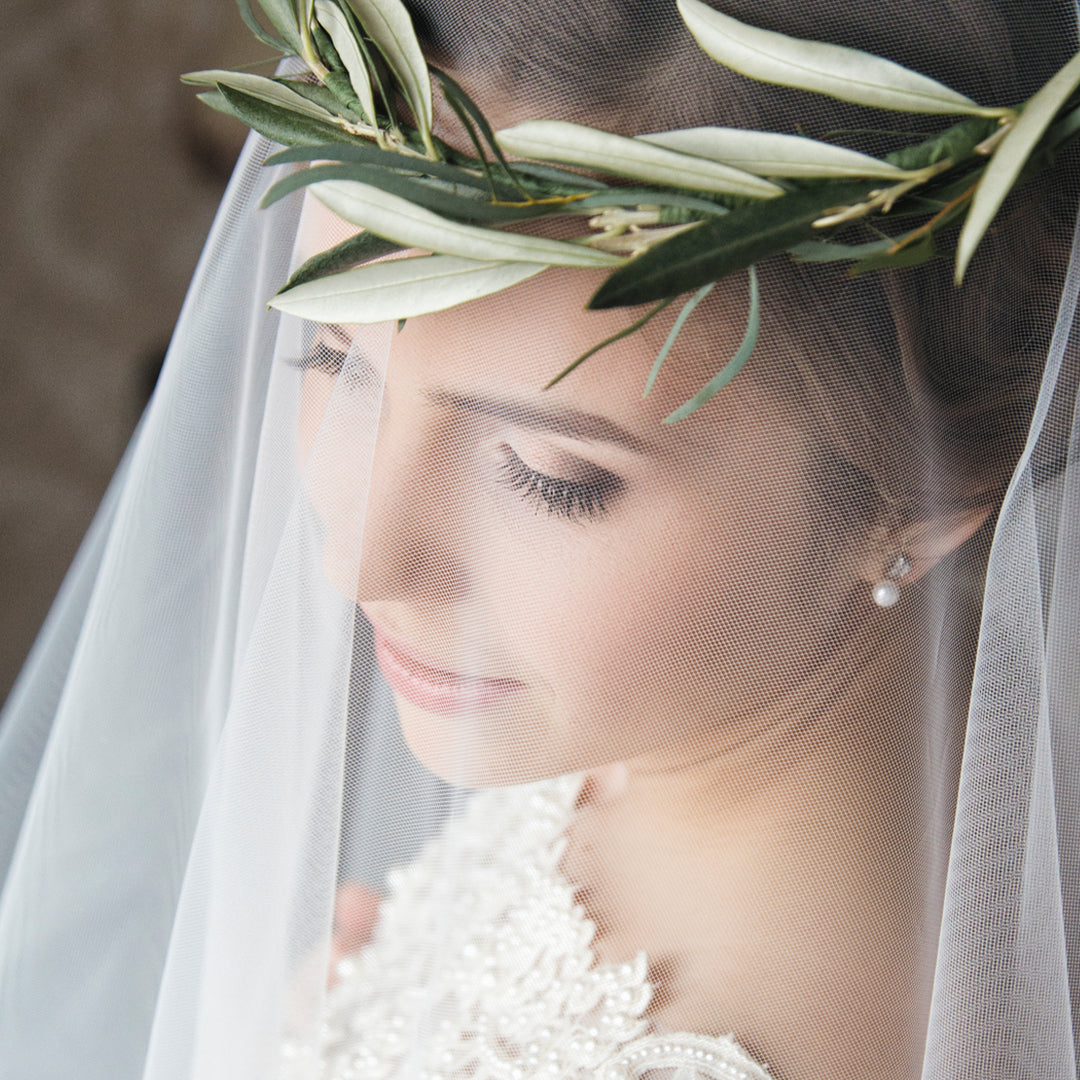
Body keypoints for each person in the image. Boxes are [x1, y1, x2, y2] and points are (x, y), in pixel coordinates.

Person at [0, 1, 1077, 1078]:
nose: (359, 561)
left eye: (547, 478)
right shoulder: (677, 719)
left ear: (919, 500)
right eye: (336, 362)